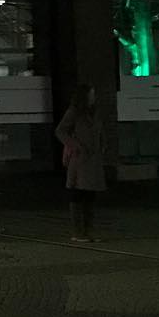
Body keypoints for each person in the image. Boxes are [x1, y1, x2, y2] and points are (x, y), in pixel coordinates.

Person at [55, 84, 106, 242]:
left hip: (93, 158)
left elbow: (100, 131)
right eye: (91, 94)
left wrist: (103, 145)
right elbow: (60, 131)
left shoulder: (95, 112)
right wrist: (75, 146)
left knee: (90, 196)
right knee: (78, 194)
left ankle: (88, 231)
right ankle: (78, 232)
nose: (93, 97)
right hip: (80, 159)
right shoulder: (74, 112)